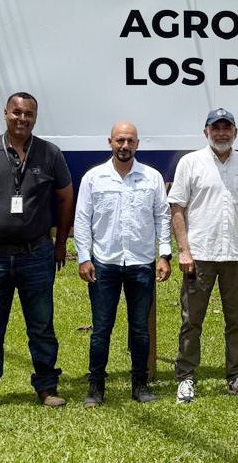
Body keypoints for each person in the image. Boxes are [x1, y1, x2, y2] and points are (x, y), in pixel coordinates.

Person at [0, 92, 75, 417]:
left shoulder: (49, 154)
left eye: (29, 114)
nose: (22, 119)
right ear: (5, 113)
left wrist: (61, 242)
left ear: (35, 118)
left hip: (36, 256)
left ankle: (47, 387)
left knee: (41, 326)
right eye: (17, 113)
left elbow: (66, 198)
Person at [73, 121, 172, 406]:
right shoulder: (94, 178)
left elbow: (162, 217)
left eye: (130, 141)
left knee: (140, 328)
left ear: (137, 144)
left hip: (142, 263)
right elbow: (82, 220)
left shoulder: (151, 178)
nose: (124, 146)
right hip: (104, 263)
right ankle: (96, 387)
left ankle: (140, 385)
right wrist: (83, 257)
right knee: (102, 328)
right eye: (120, 141)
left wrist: (164, 254)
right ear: (110, 142)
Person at [169, 108, 238, 403]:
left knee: (236, 320)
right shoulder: (190, 162)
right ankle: (186, 378)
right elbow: (177, 209)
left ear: (235, 132)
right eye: (216, 128)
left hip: (235, 253)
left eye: (227, 128)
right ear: (206, 131)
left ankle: (236, 376)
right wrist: (183, 250)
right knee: (191, 320)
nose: (221, 133)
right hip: (200, 254)